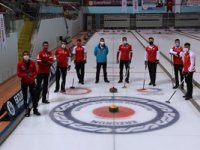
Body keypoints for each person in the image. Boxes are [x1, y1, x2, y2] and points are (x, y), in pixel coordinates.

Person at [17, 51, 40, 116]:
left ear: (29, 56)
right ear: (23, 56)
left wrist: (32, 74)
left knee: (34, 96)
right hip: (24, 82)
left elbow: (35, 71)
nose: (26, 56)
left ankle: (35, 110)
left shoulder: (32, 63)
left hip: (31, 82)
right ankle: (27, 111)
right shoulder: (20, 64)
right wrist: (26, 75)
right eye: (24, 55)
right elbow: (18, 74)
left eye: (27, 54)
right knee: (25, 97)